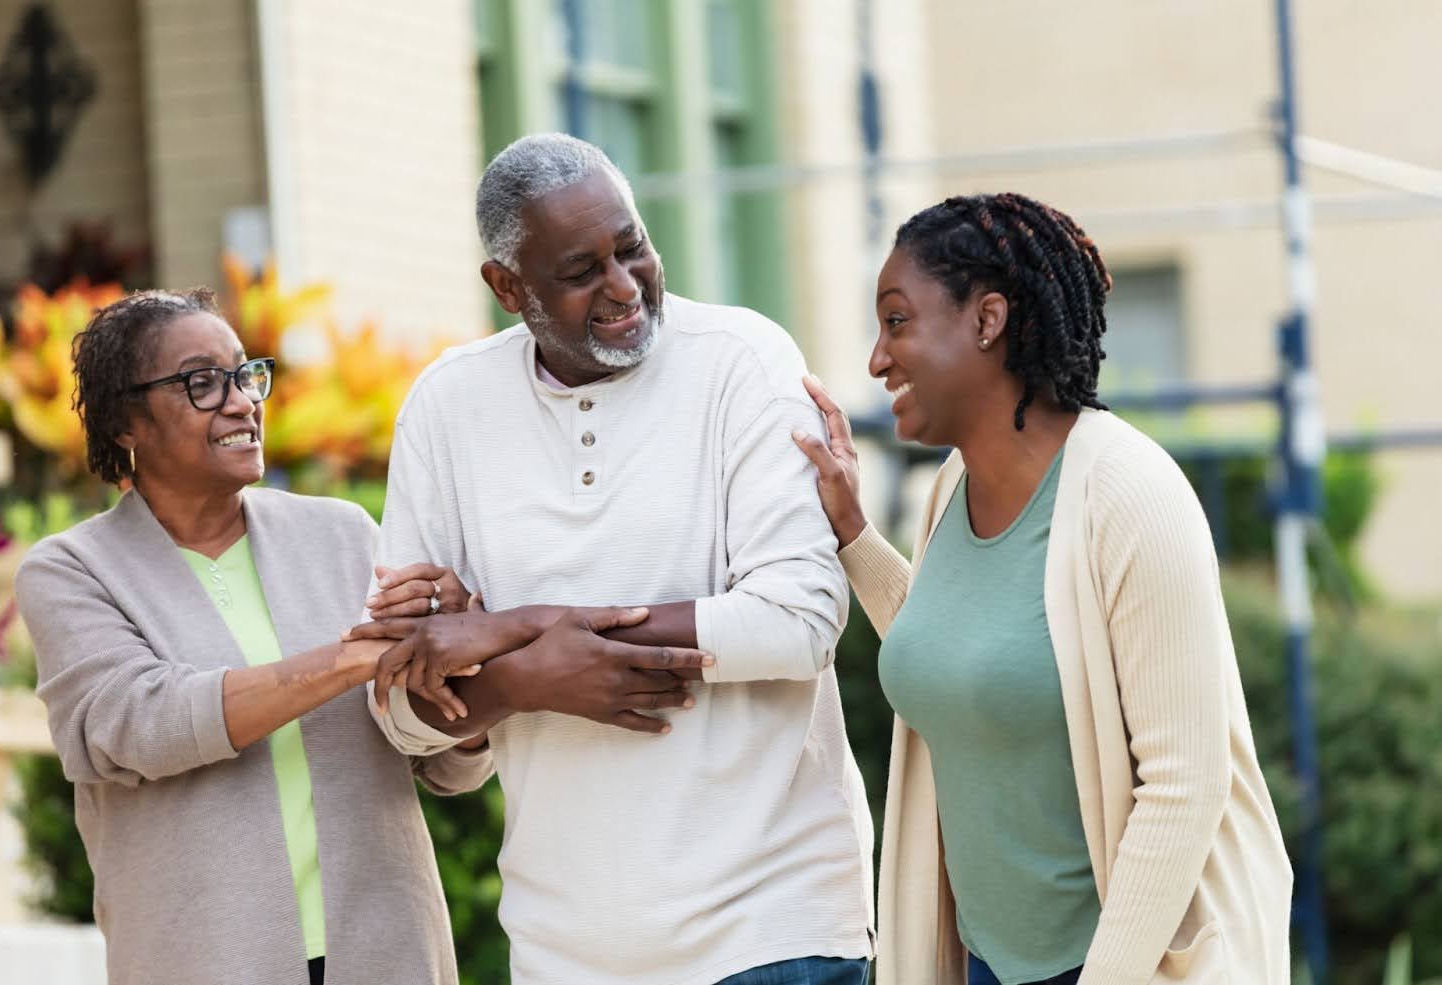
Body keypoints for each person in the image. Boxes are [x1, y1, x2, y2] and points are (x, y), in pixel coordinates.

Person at [349, 133, 876, 985]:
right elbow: (403, 712)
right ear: (507, 287)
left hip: (772, 931)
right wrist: (524, 678)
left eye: (632, 248)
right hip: (564, 953)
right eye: (581, 270)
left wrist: (516, 630)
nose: (625, 286)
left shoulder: (743, 361)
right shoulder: (447, 407)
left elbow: (800, 621)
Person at [791, 193, 1293, 985]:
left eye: (897, 321)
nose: (878, 359)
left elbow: (1184, 784)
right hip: (989, 962)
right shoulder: (951, 488)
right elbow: (962, 651)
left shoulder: (1131, 494)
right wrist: (853, 532)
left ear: (987, 320)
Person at [15, 289, 491, 985]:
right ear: (124, 422)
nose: (241, 401)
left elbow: (444, 763)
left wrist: (458, 664)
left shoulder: (342, 536)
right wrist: (348, 660)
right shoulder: (71, 570)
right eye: (201, 383)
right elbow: (138, 723)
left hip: (387, 950)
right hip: (204, 959)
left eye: (245, 374)